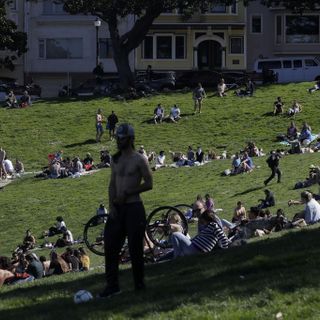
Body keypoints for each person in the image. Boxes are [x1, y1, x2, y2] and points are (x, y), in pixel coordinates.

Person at [98, 123, 153, 298]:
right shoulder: (115, 159)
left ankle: (139, 284)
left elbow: (149, 184)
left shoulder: (139, 159)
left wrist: (128, 192)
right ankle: (112, 285)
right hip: (118, 209)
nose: (118, 141)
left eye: (121, 138)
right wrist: (112, 205)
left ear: (130, 139)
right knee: (110, 245)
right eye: (117, 138)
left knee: (135, 248)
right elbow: (112, 184)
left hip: (134, 207)